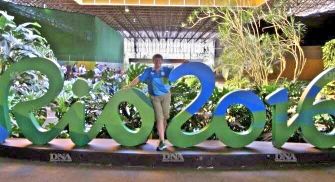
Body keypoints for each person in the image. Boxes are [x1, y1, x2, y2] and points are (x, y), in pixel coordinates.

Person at [127, 54, 174, 151]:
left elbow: (178, 72)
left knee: (164, 118)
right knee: (159, 118)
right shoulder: (149, 71)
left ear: (162, 61)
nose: (157, 62)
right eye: (156, 61)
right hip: (155, 98)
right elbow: (139, 78)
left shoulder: (167, 70)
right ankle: (161, 141)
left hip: (166, 96)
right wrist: (129, 86)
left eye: (159, 61)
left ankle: (162, 137)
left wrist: (185, 64)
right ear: (153, 61)